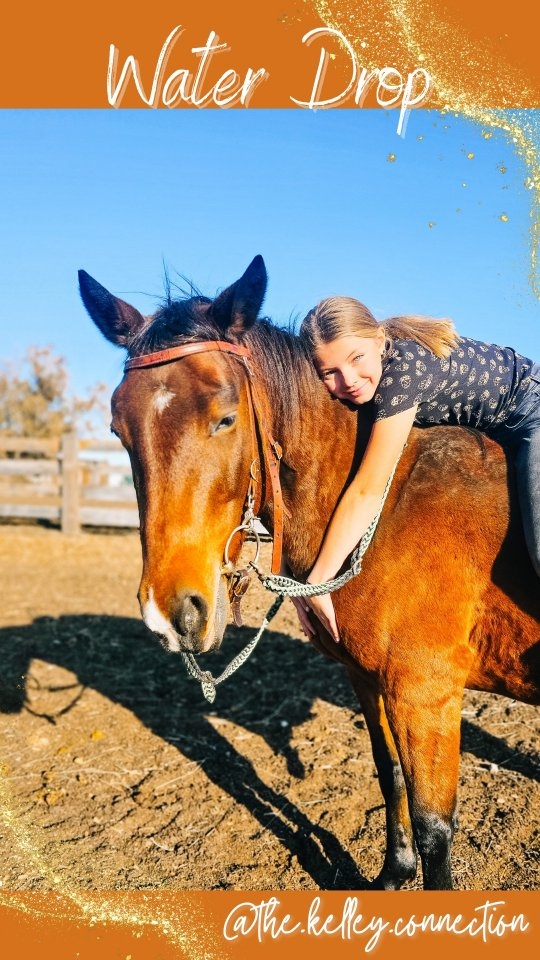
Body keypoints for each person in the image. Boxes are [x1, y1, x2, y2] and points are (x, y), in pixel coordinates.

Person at [292, 296, 540, 643]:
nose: (347, 380)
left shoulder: (403, 374)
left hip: (532, 408)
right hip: (498, 425)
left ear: (379, 341)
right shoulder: (373, 378)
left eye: (356, 358)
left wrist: (317, 581)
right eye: (329, 373)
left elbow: (367, 490)